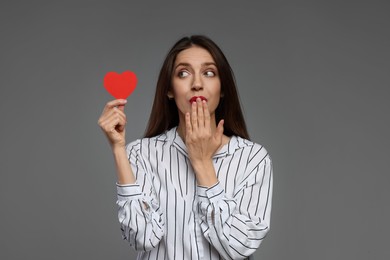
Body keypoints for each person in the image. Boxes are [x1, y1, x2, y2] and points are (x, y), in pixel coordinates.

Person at [98, 35, 273, 260]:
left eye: (209, 73)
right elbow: (142, 237)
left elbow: (238, 246)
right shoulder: (141, 154)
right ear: (170, 90)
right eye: (183, 73)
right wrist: (118, 149)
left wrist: (203, 163)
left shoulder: (253, 159)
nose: (197, 83)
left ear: (223, 89)